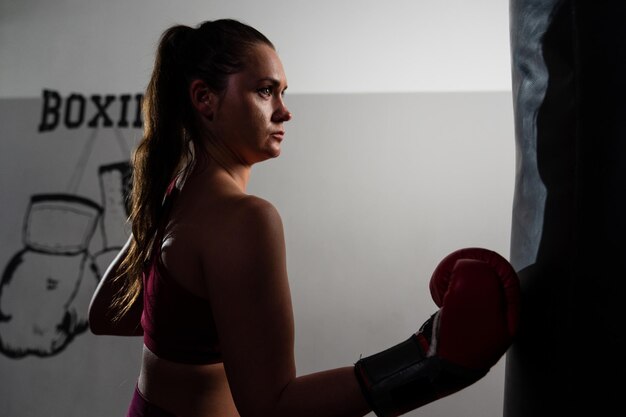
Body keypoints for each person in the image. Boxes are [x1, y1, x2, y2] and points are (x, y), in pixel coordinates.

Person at [89, 19, 520, 417]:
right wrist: (426, 358)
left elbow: (108, 314)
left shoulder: (176, 197)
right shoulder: (244, 219)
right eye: (265, 90)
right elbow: (273, 408)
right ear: (205, 98)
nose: (284, 111)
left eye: (283, 92)